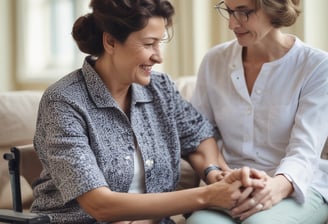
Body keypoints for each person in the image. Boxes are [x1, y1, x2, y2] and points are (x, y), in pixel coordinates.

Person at [30, 0, 266, 223]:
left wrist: (214, 172)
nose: (158, 56)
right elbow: (99, 205)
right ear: (110, 41)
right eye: (148, 44)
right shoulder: (63, 101)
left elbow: (198, 136)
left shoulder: (160, 88)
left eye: (160, 42)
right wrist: (208, 196)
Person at [187, 0, 328, 223]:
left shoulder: (317, 66)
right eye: (230, 12)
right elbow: (197, 135)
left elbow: (305, 150)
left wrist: (275, 188)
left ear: (274, 8)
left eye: (244, 12)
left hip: (297, 185)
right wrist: (219, 175)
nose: (232, 24)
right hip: (233, 186)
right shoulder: (214, 61)